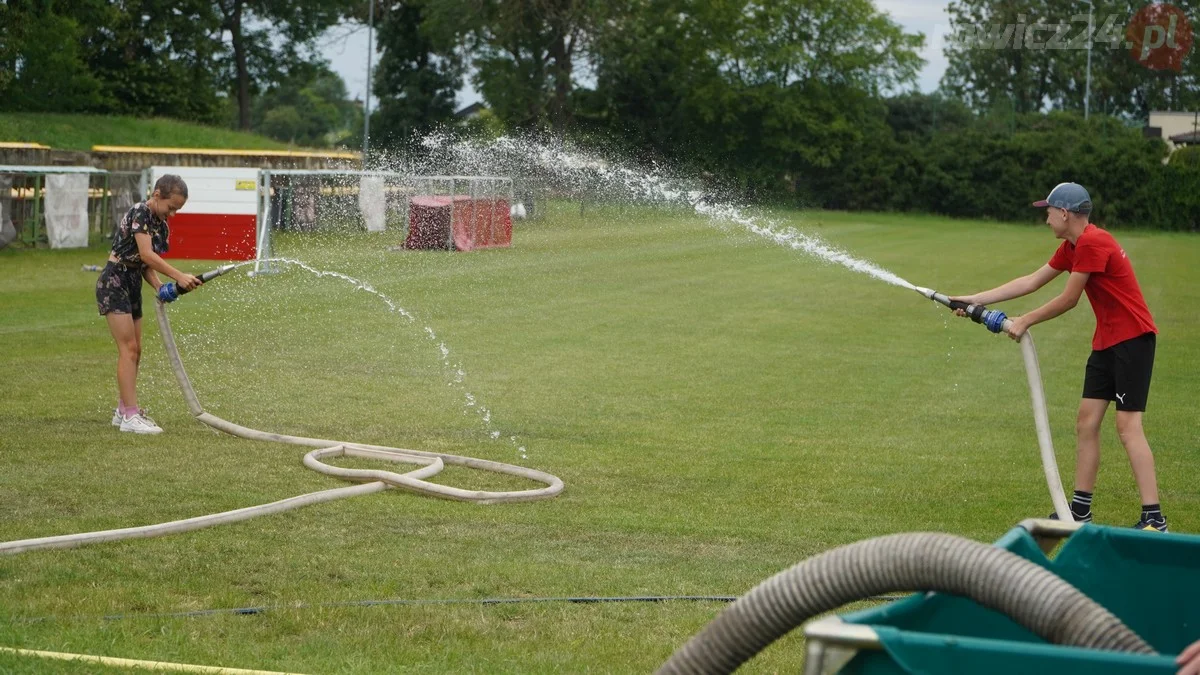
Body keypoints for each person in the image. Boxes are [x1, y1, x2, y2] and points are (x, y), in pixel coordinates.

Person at [951, 182, 1166, 532]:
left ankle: (1154, 518)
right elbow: (1032, 281)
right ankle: (1080, 510)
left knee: (1128, 427)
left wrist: (1025, 320)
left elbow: (1069, 299)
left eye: (1048, 212)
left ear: (1064, 213)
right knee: (1086, 422)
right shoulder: (1072, 246)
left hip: (1133, 341)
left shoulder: (1094, 243)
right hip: (1107, 341)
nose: (1046, 219)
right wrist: (974, 299)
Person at [96, 174, 202, 434]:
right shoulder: (140, 212)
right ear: (157, 195)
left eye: (178, 209)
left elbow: (144, 265)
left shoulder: (161, 224)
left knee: (137, 350)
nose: (173, 214)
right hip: (115, 280)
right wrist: (177, 276)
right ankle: (131, 417)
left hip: (132, 281)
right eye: (171, 207)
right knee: (128, 348)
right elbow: (146, 254)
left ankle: (124, 411)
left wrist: (160, 287)